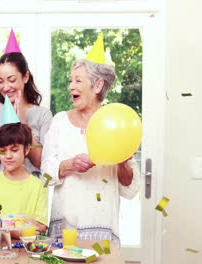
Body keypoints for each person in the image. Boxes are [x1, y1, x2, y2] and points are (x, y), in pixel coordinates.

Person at [41, 34, 140, 246]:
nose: (70, 86)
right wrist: (69, 165)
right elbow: (45, 177)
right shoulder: (60, 122)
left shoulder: (115, 124)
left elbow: (130, 189)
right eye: (70, 80)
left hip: (102, 227)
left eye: (78, 80)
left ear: (97, 86)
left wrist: (123, 161)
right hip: (65, 227)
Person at [0, 31, 52, 181]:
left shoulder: (43, 115)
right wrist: (3, 138)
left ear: (25, 77)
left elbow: (43, 163)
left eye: (11, 80)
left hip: (28, 192)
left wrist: (23, 126)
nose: (6, 87)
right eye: (1, 81)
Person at [0, 123, 48, 238]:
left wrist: (2, 226)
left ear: (26, 150)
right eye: (3, 150)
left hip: (26, 249)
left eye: (14, 150)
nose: (8, 156)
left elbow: (40, 226)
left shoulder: (38, 186)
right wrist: (17, 232)